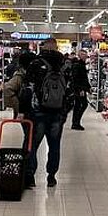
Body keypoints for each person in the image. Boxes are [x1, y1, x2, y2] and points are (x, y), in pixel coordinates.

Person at [24, 38, 69, 187]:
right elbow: (70, 91)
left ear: (43, 47)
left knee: (32, 145)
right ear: (56, 47)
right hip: (57, 114)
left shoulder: (36, 64)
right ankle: (51, 176)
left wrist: (24, 111)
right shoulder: (64, 65)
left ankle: (30, 175)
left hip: (37, 112)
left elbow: (27, 89)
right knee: (54, 146)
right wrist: (64, 112)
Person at [68, 50, 91, 129]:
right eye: (83, 55)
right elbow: (76, 78)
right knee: (82, 105)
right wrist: (80, 89)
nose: (85, 56)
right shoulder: (77, 65)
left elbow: (84, 78)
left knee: (79, 105)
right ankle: (75, 123)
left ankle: (76, 123)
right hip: (79, 89)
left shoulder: (81, 64)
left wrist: (88, 88)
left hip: (81, 88)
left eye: (86, 55)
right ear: (79, 55)